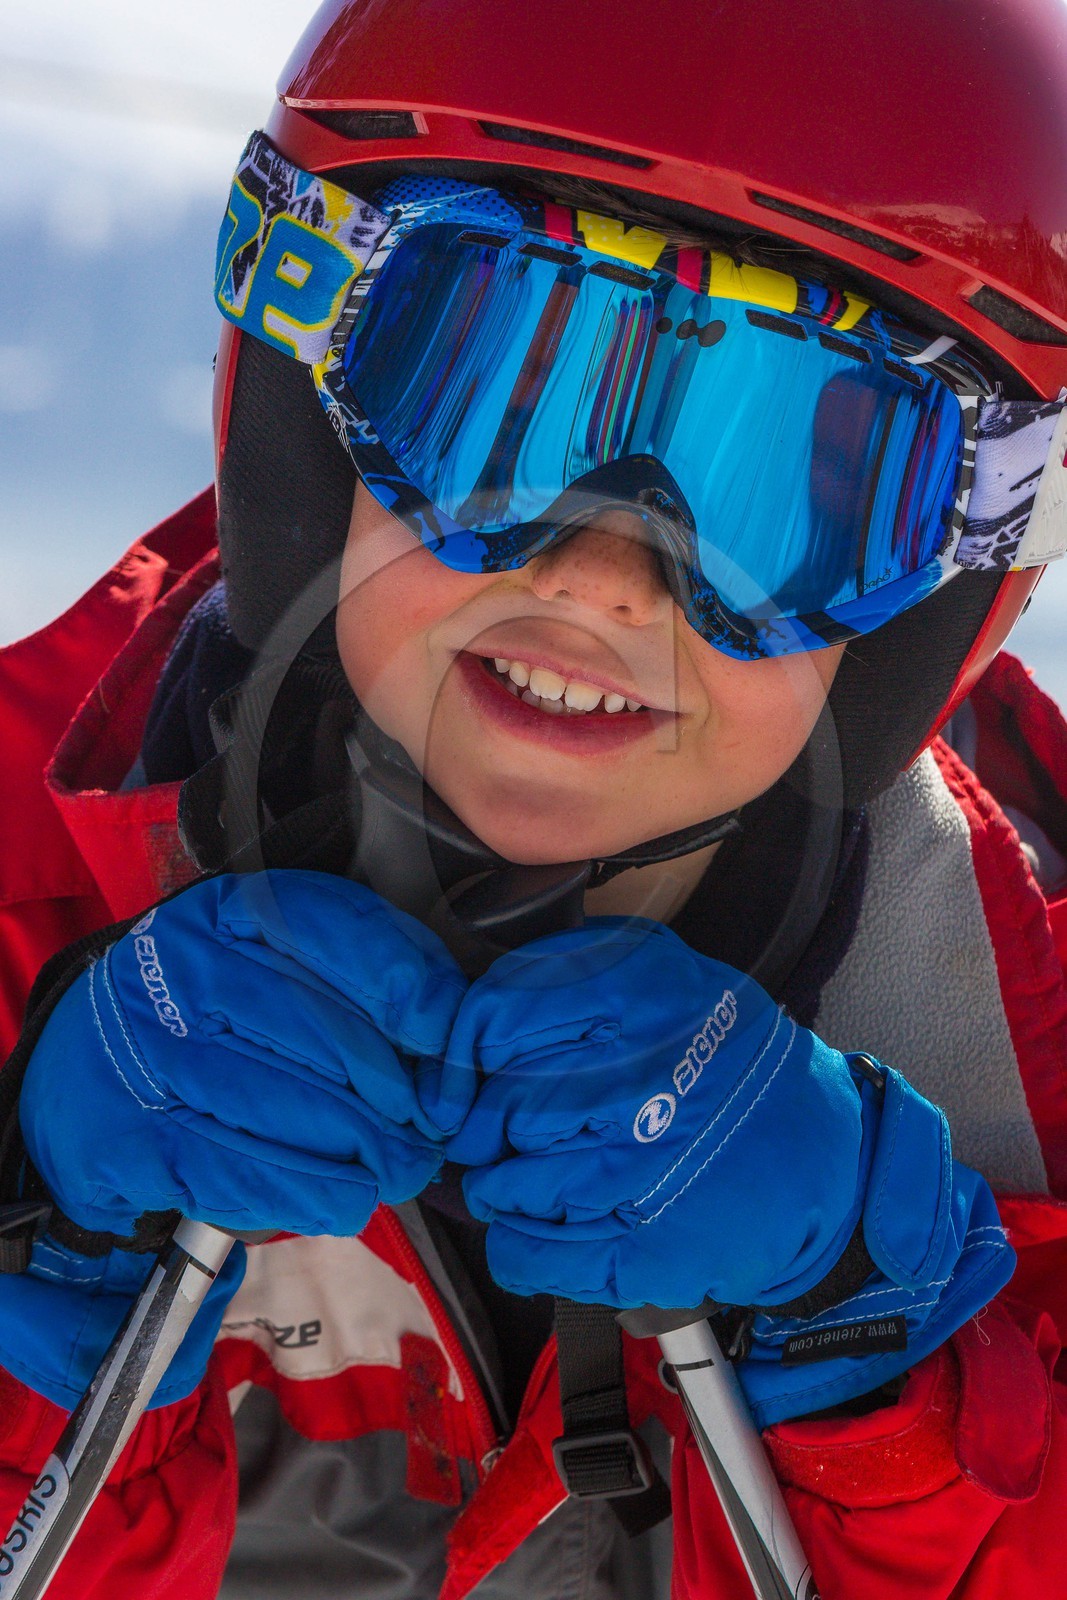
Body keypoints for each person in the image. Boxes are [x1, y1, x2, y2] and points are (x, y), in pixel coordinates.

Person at [1, 0, 1067, 1595]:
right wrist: (32, 1246)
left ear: (926, 604)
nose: (607, 578)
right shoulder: (27, 874)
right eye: (504, 407)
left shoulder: (1024, 1050)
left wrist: (903, 1379)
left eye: (782, 494)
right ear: (306, 404)